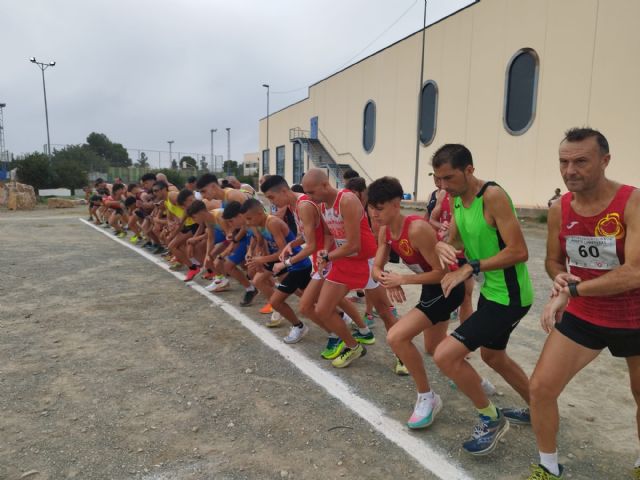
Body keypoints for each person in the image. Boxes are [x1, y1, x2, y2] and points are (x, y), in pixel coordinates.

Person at [529, 128, 640, 480]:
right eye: (563, 162)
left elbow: (635, 273)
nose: (569, 170)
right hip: (585, 313)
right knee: (541, 388)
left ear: (604, 161)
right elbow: (552, 261)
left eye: (580, 161)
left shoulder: (633, 202)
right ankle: (548, 467)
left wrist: (572, 292)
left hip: (635, 316)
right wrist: (560, 277)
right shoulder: (560, 210)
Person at [431, 144, 534, 455]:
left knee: (445, 355)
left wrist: (471, 267)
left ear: (469, 170)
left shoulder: (492, 195)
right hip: (492, 294)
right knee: (494, 358)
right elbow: (458, 241)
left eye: (448, 178)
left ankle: (491, 419)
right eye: (438, 179)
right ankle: (540, 407)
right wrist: (442, 247)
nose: (443, 187)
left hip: (511, 297)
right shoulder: (457, 200)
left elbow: (519, 251)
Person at [368, 176, 464, 428]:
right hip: (431, 287)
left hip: (447, 288)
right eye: (370, 207)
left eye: (379, 208)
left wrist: (404, 279)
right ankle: (468, 376)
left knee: (396, 337)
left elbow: (442, 272)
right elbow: (375, 269)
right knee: (433, 349)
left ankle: (427, 397)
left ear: (396, 204)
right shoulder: (384, 230)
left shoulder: (417, 229)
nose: (374, 214)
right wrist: (391, 278)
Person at [302, 169, 398, 369]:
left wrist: (329, 256)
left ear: (325, 185)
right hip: (343, 259)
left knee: (384, 311)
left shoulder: (346, 200)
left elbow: (354, 244)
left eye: (311, 192)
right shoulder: (321, 205)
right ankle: (353, 346)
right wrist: (325, 252)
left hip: (366, 260)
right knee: (323, 309)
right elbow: (329, 235)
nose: (308, 197)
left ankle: (402, 356)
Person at [261, 175, 372, 347]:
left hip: (334, 257)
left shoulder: (306, 205)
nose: (272, 202)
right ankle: (359, 331)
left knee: (310, 306)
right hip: (326, 257)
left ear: (284, 191)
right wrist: (292, 243)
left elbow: (313, 245)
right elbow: (308, 236)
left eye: (271, 197)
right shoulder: (297, 205)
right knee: (329, 302)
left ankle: (342, 338)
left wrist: (286, 263)